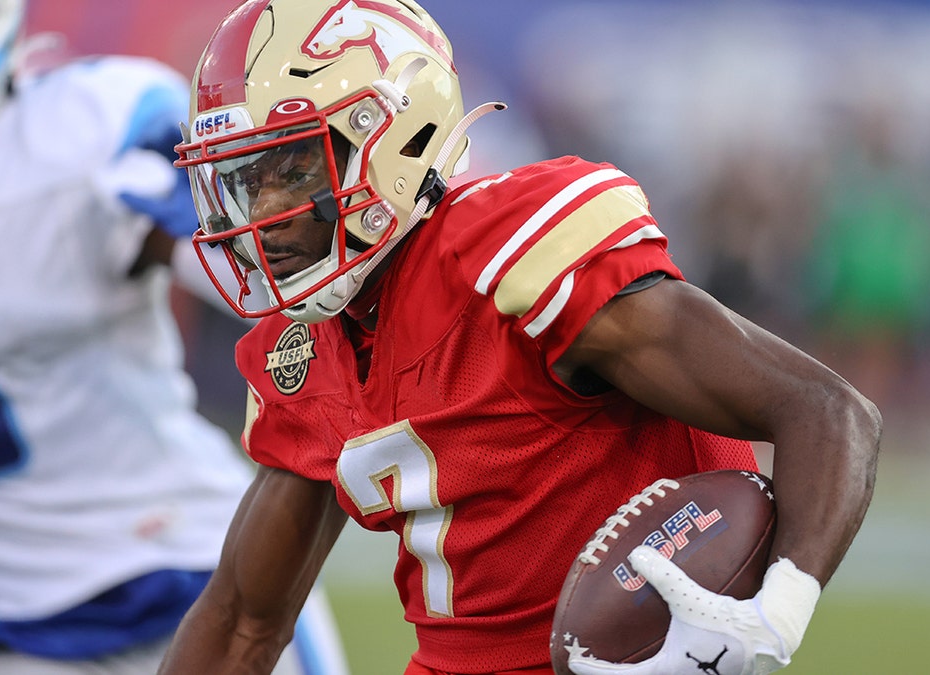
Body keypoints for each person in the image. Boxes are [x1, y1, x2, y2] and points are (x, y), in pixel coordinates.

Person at [158, 1, 882, 674]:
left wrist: (770, 619)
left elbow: (827, 410)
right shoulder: (305, 347)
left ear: (391, 138)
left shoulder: (510, 259)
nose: (266, 213)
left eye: (291, 170)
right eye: (245, 182)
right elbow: (242, 618)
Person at [0, 1, 348, 673]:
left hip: (202, 572)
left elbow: (277, 283)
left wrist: (199, 223)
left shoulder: (83, 132)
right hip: (16, 633)